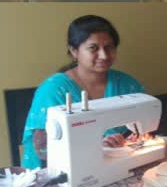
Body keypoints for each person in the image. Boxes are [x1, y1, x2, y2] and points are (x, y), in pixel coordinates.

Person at [22, 15, 144, 169]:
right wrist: (98, 147)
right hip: (65, 171)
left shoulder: (128, 85)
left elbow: (140, 133)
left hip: (115, 162)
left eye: (109, 47)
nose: (104, 55)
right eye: (93, 48)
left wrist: (121, 143)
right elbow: (43, 150)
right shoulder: (54, 90)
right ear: (74, 51)